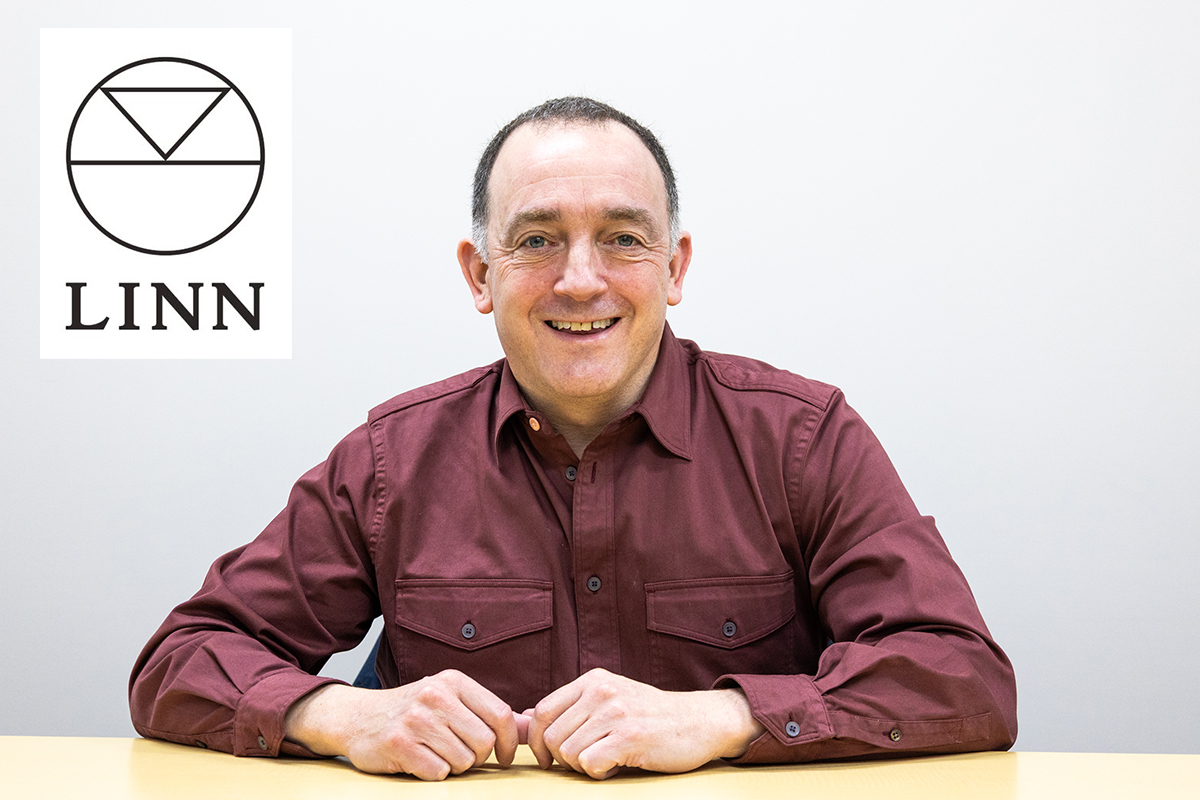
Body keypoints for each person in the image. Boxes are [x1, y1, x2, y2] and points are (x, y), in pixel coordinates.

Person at [129, 97, 1017, 781]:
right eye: (538, 240)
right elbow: (181, 660)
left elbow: (962, 675)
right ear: (481, 274)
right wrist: (343, 717)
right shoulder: (392, 461)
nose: (581, 280)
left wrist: (722, 718)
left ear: (675, 268)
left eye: (623, 238)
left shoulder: (802, 439)